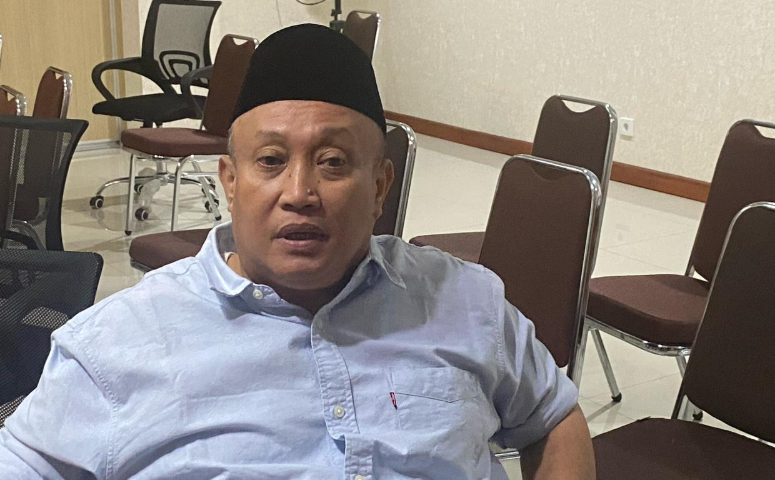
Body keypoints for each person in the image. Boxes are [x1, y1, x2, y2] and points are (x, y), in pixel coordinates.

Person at [0, 24, 594, 479]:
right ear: (230, 182)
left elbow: (554, 416)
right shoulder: (116, 344)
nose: (300, 193)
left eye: (333, 162)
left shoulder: (464, 300)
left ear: (380, 187)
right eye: (271, 161)